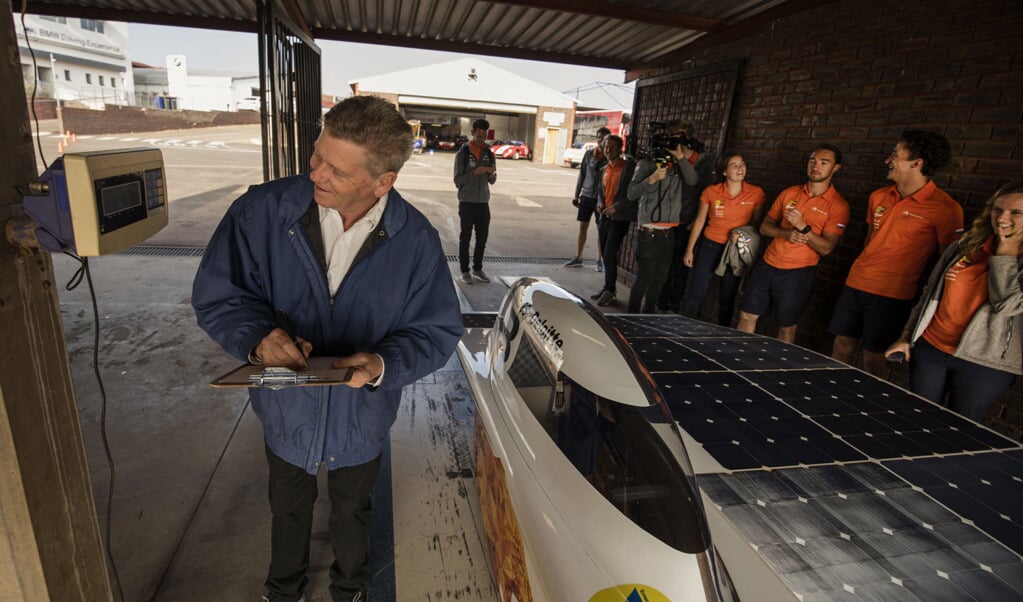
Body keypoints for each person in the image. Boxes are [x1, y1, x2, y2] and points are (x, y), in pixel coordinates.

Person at [191, 95, 463, 602]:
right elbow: (220, 296)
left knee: (352, 508)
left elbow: (437, 330)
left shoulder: (416, 240)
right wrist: (256, 337)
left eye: (336, 170)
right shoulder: (259, 213)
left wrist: (384, 363)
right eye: (317, 156)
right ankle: (283, 588)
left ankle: (350, 586)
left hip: (362, 413)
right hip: (284, 402)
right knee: (287, 503)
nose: (315, 173)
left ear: (383, 182)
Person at [885, 182, 1023, 422]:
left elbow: (1007, 304)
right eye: (997, 209)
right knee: (915, 421)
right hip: (932, 348)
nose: (1002, 218)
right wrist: (908, 335)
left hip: (984, 364)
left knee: (957, 431)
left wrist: (1007, 251)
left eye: (1016, 213)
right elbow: (930, 293)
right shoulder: (966, 245)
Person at [830, 130, 963, 377]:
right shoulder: (878, 196)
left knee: (873, 358)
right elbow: (870, 241)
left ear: (917, 163)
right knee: (841, 346)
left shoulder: (946, 208)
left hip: (893, 294)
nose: (887, 161)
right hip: (856, 284)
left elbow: (948, 263)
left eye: (894, 155)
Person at [736, 144, 849, 343]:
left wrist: (804, 227)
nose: (816, 166)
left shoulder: (838, 205)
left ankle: (777, 371)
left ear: (836, 168)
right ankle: (736, 360)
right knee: (746, 315)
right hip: (768, 264)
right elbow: (764, 227)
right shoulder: (790, 193)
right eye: (813, 161)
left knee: (786, 328)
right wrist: (786, 233)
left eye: (824, 163)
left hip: (798, 273)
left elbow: (826, 248)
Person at [681, 152, 766, 326]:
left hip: (734, 250)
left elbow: (756, 227)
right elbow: (699, 221)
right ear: (725, 172)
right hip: (710, 246)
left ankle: (722, 335)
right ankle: (683, 330)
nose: (740, 168)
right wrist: (689, 250)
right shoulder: (711, 192)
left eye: (742, 164)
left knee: (727, 297)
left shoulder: (756, 193)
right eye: (734, 165)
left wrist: (742, 236)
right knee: (696, 293)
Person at [626, 120, 701, 313]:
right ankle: (631, 319)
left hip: (669, 232)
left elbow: (693, 181)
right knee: (644, 278)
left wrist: (681, 158)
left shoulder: (679, 164)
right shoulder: (647, 162)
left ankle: (648, 317)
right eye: (675, 135)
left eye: (682, 135)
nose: (678, 139)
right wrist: (651, 179)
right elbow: (631, 193)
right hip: (649, 231)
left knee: (660, 278)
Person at [657, 127, 716, 313]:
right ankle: (661, 303)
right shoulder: (671, 160)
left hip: (688, 224)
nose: (674, 144)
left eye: (677, 139)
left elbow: (705, 192)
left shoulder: (704, 163)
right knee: (664, 265)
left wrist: (696, 221)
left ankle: (674, 306)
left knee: (680, 268)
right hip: (669, 221)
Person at [589, 135, 636, 306]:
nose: (609, 150)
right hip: (605, 217)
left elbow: (632, 195)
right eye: (606, 147)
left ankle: (610, 290)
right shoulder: (604, 168)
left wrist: (616, 207)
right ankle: (608, 287)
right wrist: (600, 204)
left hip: (619, 218)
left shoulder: (628, 168)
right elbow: (601, 192)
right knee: (605, 254)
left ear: (620, 148)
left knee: (609, 254)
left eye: (612, 147)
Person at [454, 118, 497, 284]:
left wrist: (491, 175)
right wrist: (475, 173)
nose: (481, 139)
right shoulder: (463, 154)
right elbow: (458, 180)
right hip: (467, 202)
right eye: (479, 136)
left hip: (483, 202)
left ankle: (477, 269)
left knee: (482, 238)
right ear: (472, 133)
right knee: (465, 237)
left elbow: (492, 180)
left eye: (484, 136)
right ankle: (465, 271)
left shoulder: (489, 154)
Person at [565, 126, 610, 270]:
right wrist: (576, 194)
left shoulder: (609, 157)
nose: (601, 140)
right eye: (599, 137)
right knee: (583, 226)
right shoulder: (589, 154)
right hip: (586, 196)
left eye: (604, 137)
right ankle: (578, 257)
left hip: (601, 199)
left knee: (600, 228)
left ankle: (599, 259)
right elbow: (582, 175)